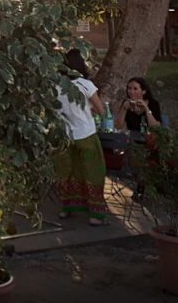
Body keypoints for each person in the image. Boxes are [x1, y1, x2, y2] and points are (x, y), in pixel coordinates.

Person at [55, 49, 108, 226]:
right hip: (86, 134)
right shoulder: (86, 85)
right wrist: (88, 112)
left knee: (67, 172)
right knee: (92, 172)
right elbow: (101, 111)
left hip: (65, 136)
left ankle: (66, 208)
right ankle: (95, 214)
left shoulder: (56, 86)